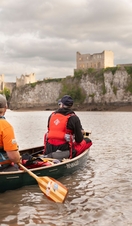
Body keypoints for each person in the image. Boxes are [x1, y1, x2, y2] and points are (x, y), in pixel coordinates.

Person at [44, 95, 92, 159]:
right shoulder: (74, 118)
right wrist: (80, 133)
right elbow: (79, 140)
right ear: (70, 106)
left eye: (60, 104)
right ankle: (63, 156)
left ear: (62, 105)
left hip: (49, 149)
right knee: (88, 141)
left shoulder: (51, 116)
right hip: (64, 150)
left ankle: (51, 155)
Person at [0, 94, 21, 171]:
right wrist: (18, 159)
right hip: (2, 167)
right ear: (6, 108)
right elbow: (13, 157)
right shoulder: (6, 127)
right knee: (16, 167)